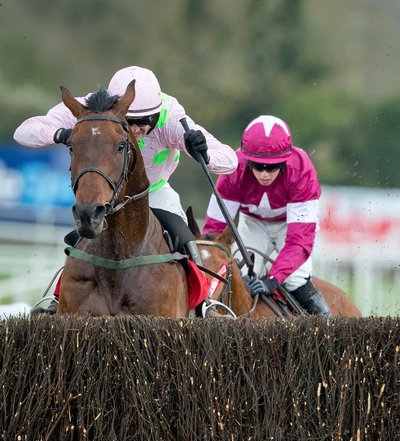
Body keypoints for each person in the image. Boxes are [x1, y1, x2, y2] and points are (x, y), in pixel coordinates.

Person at [14, 65, 238, 316]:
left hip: (154, 192)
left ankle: (204, 307)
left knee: (183, 237)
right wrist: (63, 133)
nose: (136, 128)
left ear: (156, 114)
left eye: (145, 122)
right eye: (129, 121)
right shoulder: (92, 109)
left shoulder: (172, 116)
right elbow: (23, 132)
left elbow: (230, 160)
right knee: (82, 241)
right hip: (109, 194)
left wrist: (203, 152)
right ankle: (58, 301)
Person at [202, 115, 332, 317]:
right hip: (252, 224)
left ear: (286, 159)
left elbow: (299, 241)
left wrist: (273, 278)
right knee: (234, 276)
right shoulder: (233, 171)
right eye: (257, 165)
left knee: (294, 279)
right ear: (246, 158)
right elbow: (213, 232)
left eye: (272, 167)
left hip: (290, 227)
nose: (264, 174)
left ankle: (328, 330)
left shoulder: (301, 171)